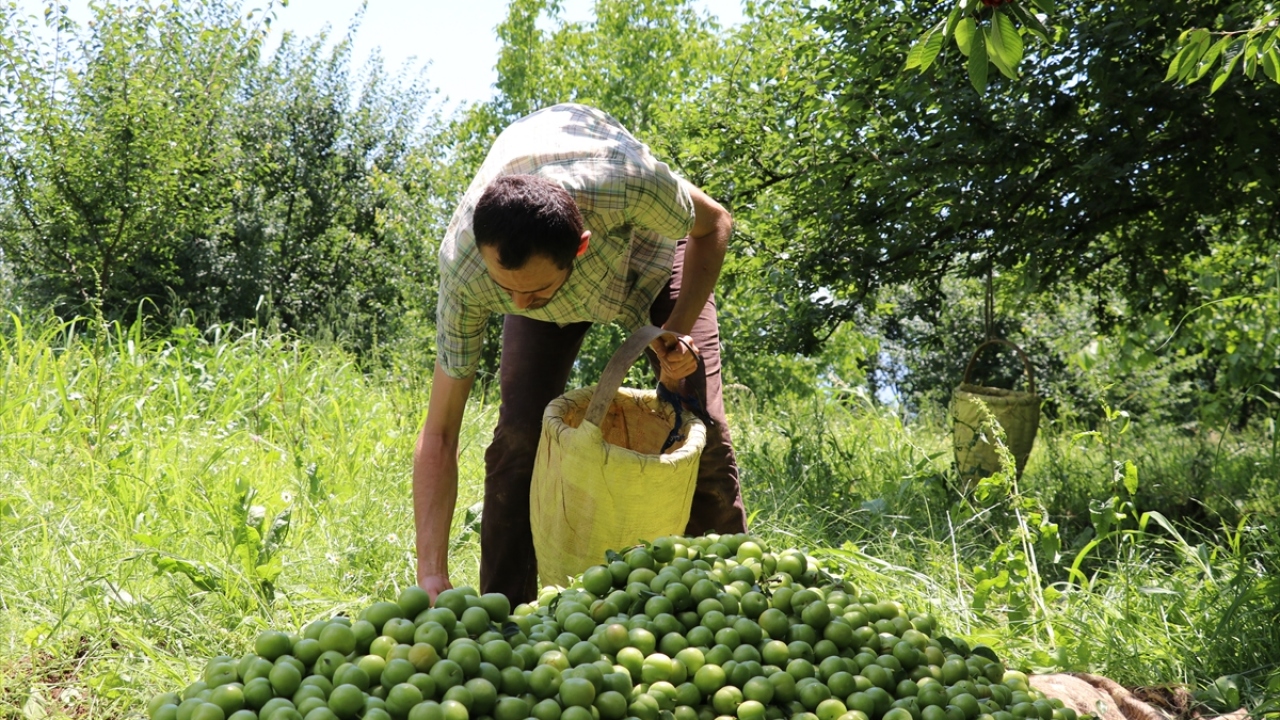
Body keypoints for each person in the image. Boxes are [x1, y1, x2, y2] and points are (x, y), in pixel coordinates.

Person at [414, 103, 747, 604]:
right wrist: (431, 572)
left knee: (699, 424)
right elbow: (439, 432)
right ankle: (507, 615)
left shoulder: (629, 181)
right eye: (507, 291)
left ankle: (730, 598)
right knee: (520, 434)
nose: (517, 305)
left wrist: (674, 335)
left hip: (651, 258)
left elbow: (714, 224)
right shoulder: (468, 272)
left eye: (534, 290)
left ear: (581, 247)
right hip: (542, 266)